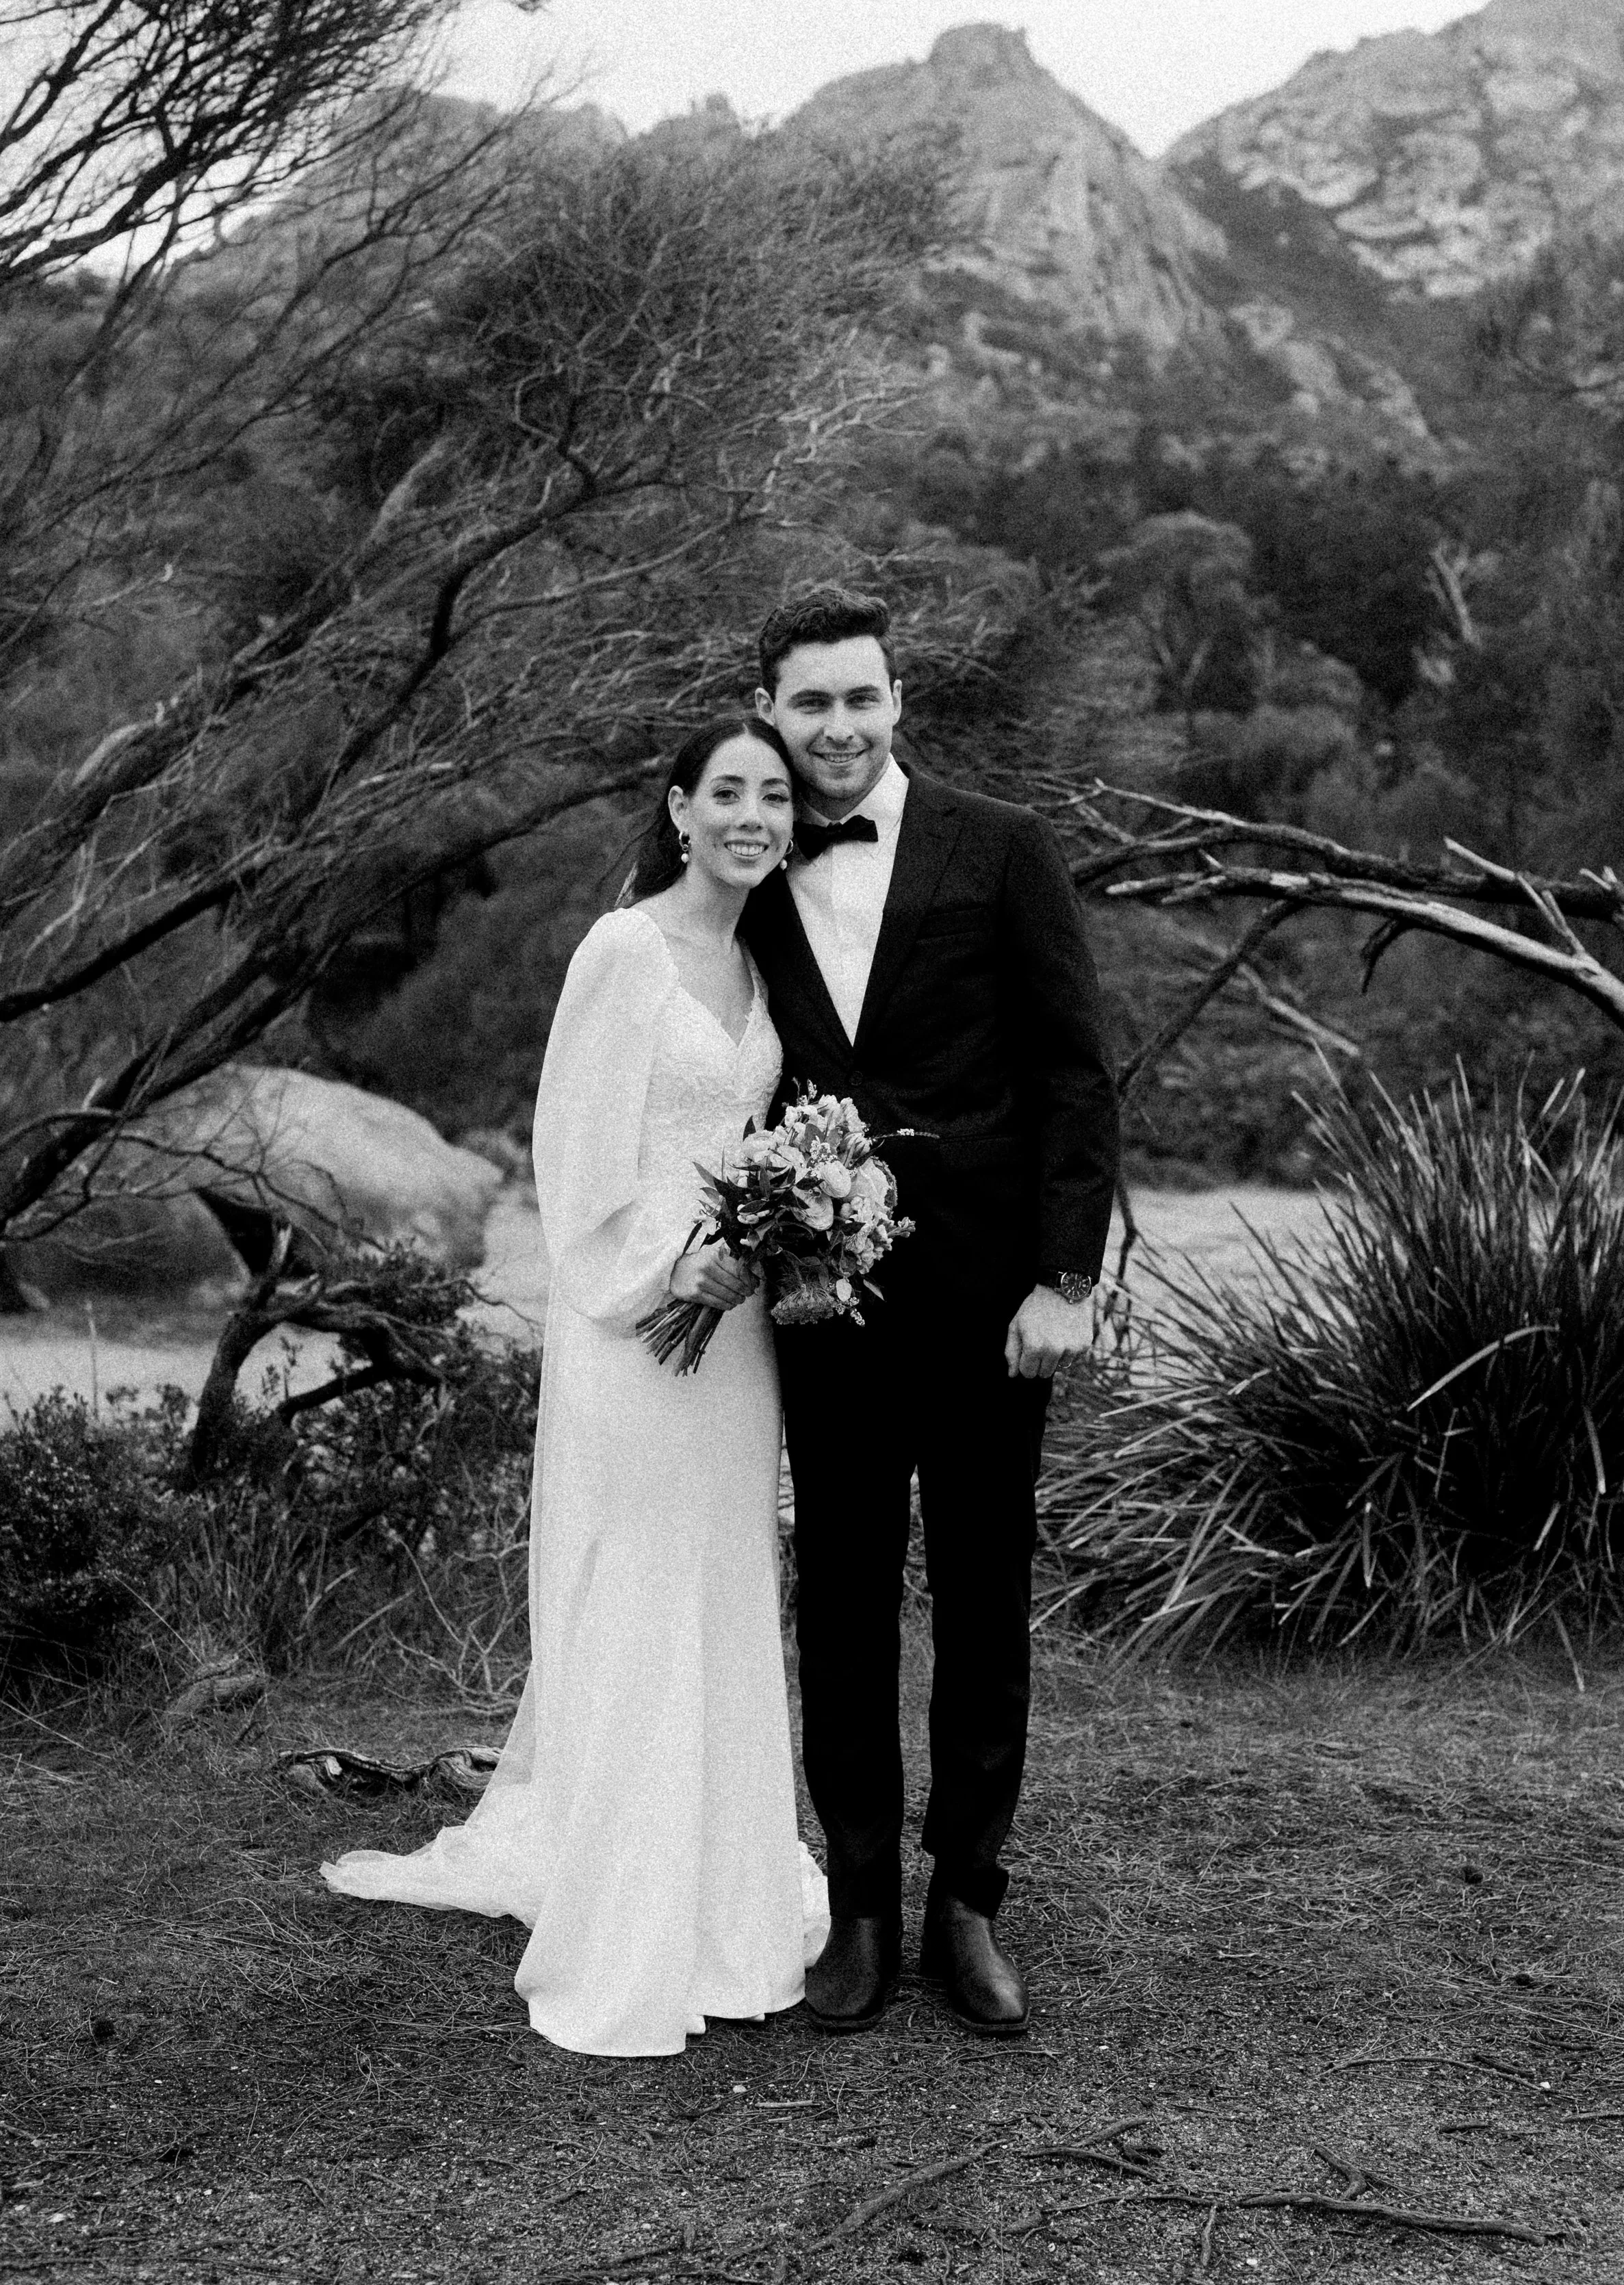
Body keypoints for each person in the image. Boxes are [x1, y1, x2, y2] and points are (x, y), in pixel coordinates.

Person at [322, 717, 829, 2056]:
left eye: (772, 798)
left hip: (734, 1349)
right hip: (633, 1328)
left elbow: (762, 1143)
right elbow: (571, 1160)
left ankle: (728, 1916)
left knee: (721, 1594)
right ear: (675, 808)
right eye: (726, 792)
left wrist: (770, 1245)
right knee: (636, 1594)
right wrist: (671, 1273)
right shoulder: (623, 952)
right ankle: (629, 1928)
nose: (750, 816)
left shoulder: (768, 964)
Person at [743, 584, 1120, 2038]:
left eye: (861, 697)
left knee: (980, 1603)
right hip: (817, 1307)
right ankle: (852, 1913)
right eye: (810, 702)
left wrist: (1066, 1279)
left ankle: (966, 1898)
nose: (838, 726)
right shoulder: (744, 859)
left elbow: (1077, 1072)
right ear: (770, 710)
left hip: (988, 1307)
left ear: (897, 703)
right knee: (833, 1601)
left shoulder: (1002, 847)